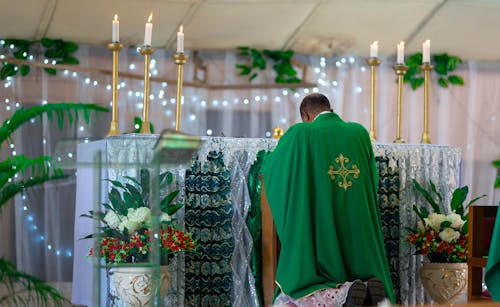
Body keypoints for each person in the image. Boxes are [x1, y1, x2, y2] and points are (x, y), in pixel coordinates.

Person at [261, 93, 395, 306]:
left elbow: (272, 169)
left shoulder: (301, 133)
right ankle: (366, 287)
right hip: (356, 213)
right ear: (330, 109)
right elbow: (372, 176)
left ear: (305, 115)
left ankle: (340, 293)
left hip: (321, 214)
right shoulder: (358, 133)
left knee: (302, 286)